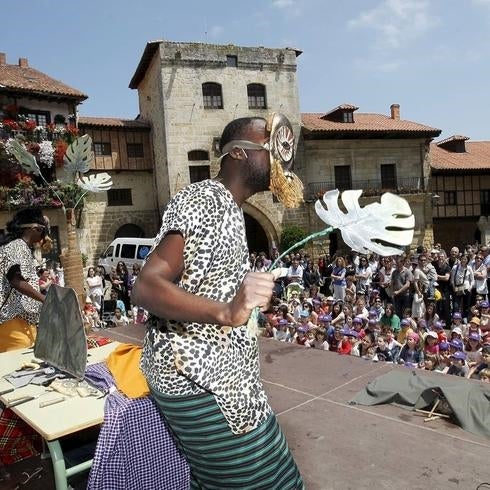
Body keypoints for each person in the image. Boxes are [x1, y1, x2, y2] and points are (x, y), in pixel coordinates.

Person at [132, 115, 303, 489]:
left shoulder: (228, 208)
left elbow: (206, 287)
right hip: (199, 379)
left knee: (280, 479)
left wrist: (246, 300)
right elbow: (146, 286)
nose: (282, 160)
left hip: (227, 381)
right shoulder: (205, 198)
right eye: (270, 147)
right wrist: (227, 311)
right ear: (239, 152)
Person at [0, 208, 49, 351]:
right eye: (42, 230)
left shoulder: (21, 247)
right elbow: (15, 280)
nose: (43, 235)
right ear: (34, 229)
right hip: (11, 320)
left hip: (22, 320)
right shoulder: (17, 246)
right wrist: (44, 298)